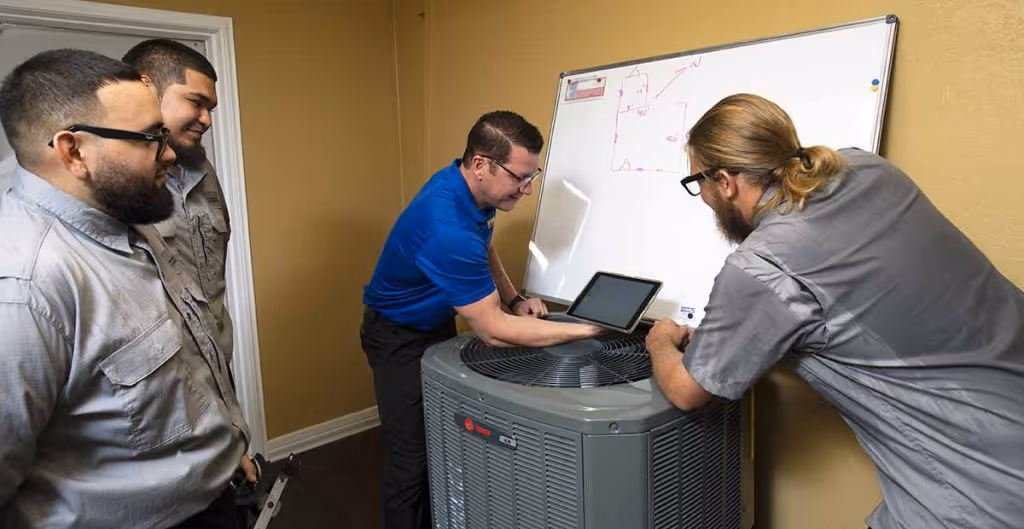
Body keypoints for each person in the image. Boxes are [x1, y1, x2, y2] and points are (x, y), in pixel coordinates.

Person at [645, 93, 1024, 529]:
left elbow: (687, 390)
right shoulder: (869, 169)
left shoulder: (761, 266)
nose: (705, 197)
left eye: (700, 183)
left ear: (725, 181)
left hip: (980, 489)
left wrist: (660, 341)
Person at [0, 49, 250, 528]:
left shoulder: (131, 216)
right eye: (151, 138)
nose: (171, 153)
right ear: (74, 152)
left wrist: (220, 448)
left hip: (212, 496)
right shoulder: (25, 291)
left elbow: (185, 361)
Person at [361, 110, 600, 529]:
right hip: (396, 337)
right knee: (411, 460)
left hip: (434, 323)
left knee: (444, 442)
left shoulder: (470, 193)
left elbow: (483, 247)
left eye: (532, 177)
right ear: (480, 165)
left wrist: (515, 297)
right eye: (518, 178)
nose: (526, 190)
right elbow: (492, 330)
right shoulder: (445, 225)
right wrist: (588, 328)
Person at [121, 39, 236, 387]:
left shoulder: (201, 168)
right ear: (146, 88)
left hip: (216, 367)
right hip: (155, 385)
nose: (207, 120)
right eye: (196, 103)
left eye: (210, 109)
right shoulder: (106, 178)